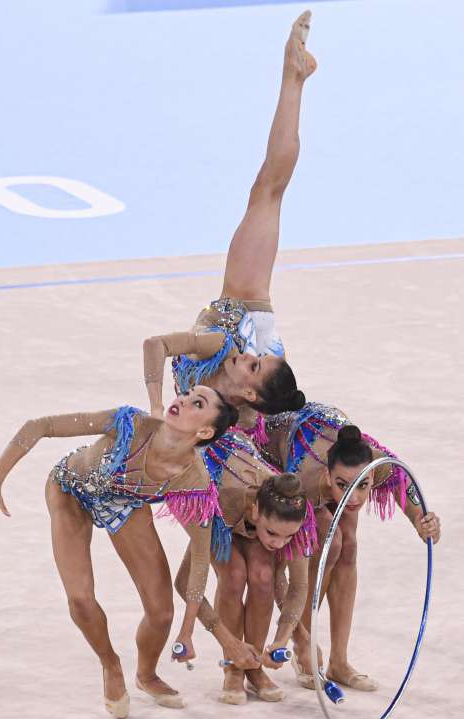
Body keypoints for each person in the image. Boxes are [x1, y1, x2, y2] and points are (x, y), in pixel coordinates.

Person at [0, 387, 262, 719]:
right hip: (70, 490)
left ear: (204, 432)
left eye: (197, 404)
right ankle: (110, 663)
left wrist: (201, 634)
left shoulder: (194, 482)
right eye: (188, 395)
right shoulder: (128, 424)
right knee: (81, 600)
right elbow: (39, 425)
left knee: (161, 614)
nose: (183, 401)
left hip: (122, 503)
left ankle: (146, 675)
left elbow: (200, 562)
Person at [143, 11, 316, 420]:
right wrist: (152, 406)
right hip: (241, 305)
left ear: (250, 394)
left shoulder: (239, 416)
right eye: (256, 359)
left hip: (260, 371)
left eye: (253, 364)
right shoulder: (227, 345)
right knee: (268, 191)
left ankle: (295, 76)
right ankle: (294, 78)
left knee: (268, 191)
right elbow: (156, 344)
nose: (248, 357)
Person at [264, 408, 441, 691]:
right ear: (327, 475)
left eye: (363, 486)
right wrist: (297, 635)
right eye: (343, 485)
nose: (355, 497)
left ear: (371, 474)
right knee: (329, 543)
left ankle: (339, 662)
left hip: (328, 430)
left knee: (348, 547)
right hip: (278, 446)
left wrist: (423, 522)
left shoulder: (380, 464)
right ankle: (304, 647)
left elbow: (405, 486)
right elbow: (281, 570)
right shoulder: (304, 484)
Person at [173, 429, 316, 705]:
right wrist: (228, 641)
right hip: (216, 500)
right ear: (255, 513)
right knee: (234, 575)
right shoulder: (215, 502)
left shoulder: (296, 513)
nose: (279, 543)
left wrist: (282, 639)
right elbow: (183, 582)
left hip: (245, 481)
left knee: (264, 576)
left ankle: (254, 666)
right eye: (272, 533)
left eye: (288, 536)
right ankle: (233, 666)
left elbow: (299, 586)